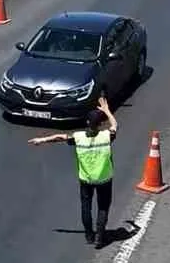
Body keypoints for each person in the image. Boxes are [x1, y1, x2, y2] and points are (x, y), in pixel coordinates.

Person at [28, 95, 117, 249]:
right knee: (103, 208)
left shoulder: (79, 138)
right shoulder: (106, 136)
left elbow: (59, 137)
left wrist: (42, 140)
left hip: (86, 180)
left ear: (87, 123)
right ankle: (99, 237)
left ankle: (89, 235)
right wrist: (107, 111)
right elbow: (115, 125)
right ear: (100, 124)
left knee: (86, 207)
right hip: (104, 179)